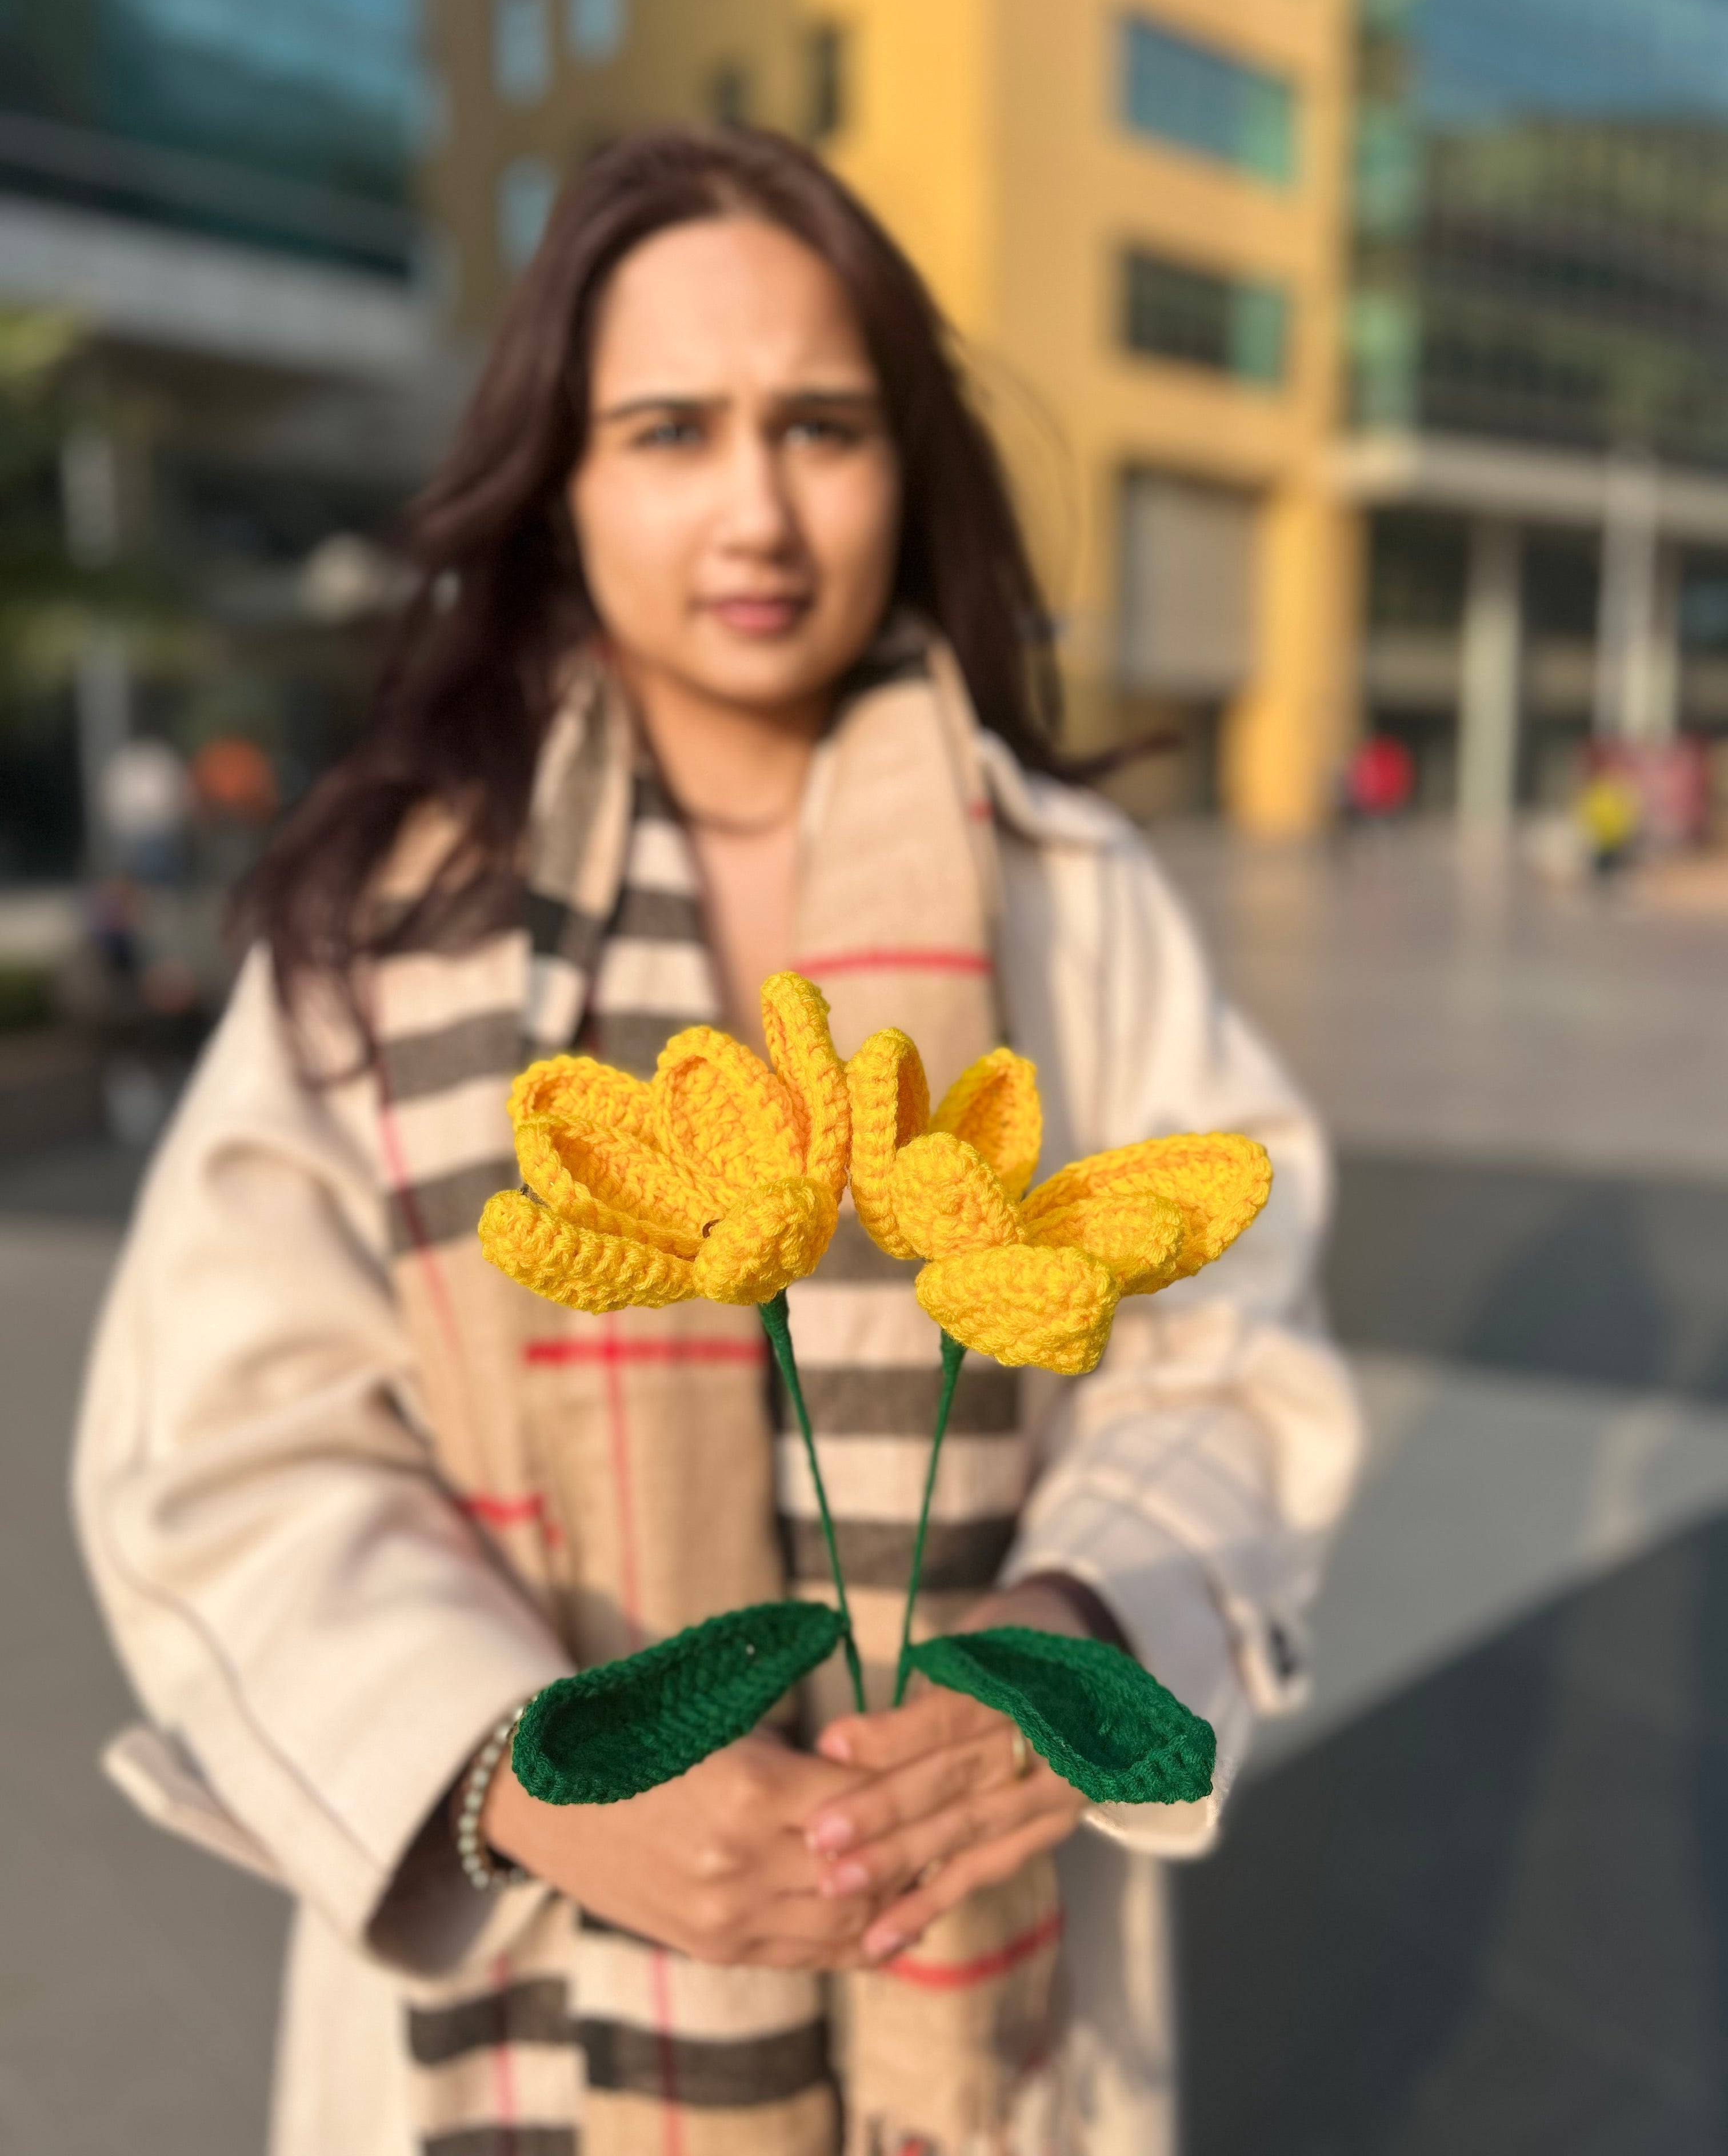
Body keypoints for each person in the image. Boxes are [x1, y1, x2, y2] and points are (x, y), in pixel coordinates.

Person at [73, 126, 1359, 2156]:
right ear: (560, 485)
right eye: (672, 429)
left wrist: (1079, 1624)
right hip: (540, 2033)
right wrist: (527, 1773)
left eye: (822, 428)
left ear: (904, 466)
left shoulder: (1066, 890)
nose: (757, 509)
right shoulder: (387, 923)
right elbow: (226, 1454)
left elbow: (1236, 1337)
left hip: (977, 2000)